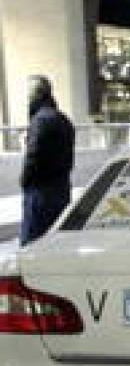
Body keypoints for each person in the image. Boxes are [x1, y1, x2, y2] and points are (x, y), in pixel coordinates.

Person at [18, 76, 75, 246]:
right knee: (56, 241)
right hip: (62, 187)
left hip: (40, 191)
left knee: (32, 242)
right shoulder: (64, 120)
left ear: (35, 94)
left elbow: (33, 155)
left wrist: (24, 180)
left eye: (28, 93)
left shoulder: (40, 120)